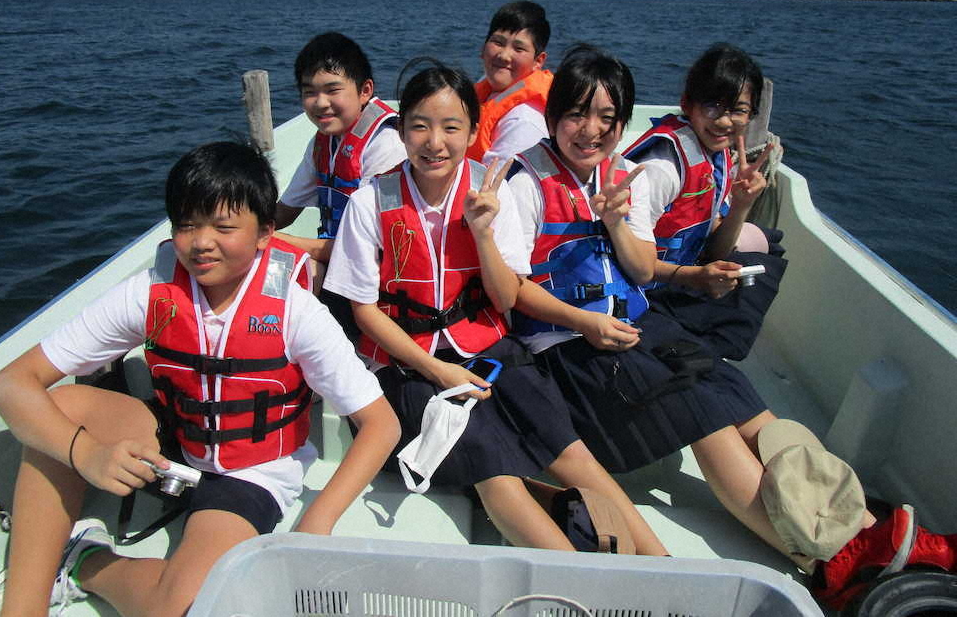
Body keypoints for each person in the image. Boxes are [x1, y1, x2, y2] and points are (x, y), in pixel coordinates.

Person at [505, 43, 891, 573]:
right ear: (552, 116)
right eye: (576, 114)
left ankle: (863, 526)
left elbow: (640, 269)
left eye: (607, 117)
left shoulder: (619, 174)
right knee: (703, 414)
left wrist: (617, 221)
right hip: (569, 344)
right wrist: (585, 321)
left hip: (633, 319)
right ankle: (834, 561)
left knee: (736, 395)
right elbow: (510, 289)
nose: (591, 130)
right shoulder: (524, 183)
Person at [0, 142, 400, 617]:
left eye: (223, 227)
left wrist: (316, 524)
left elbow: (380, 424)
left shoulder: (296, 312)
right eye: (186, 224)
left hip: (249, 472)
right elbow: (10, 384)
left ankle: (85, 563)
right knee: (57, 407)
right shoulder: (151, 292)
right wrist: (86, 453)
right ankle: (23, 606)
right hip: (173, 440)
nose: (201, 242)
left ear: (265, 232)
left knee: (184, 608)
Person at [324, 59, 667, 555]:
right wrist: (438, 371)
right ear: (401, 131)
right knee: (495, 470)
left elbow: (505, 299)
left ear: (471, 132)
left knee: (570, 451)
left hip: (490, 348)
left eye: (451, 127)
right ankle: (576, 574)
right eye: (419, 126)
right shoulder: (370, 202)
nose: (434, 142)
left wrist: (483, 233)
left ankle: (662, 562)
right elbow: (365, 312)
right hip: (410, 365)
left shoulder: (491, 191)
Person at [623, 43, 786, 361]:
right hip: (644, 286)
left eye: (738, 110)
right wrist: (697, 278)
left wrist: (741, 205)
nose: (724, 121)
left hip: (681, 269)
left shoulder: (717, 154)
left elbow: (714, 251)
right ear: (687, 103)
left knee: (768, 251)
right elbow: (627, 262)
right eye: (713, 105)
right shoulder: (662, 169)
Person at [274, 31, 406, 260]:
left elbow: (369, 247)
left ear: (365, 91)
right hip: (336, 256)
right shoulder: (323, 142)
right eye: (309, 92)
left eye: (333, 90)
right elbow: (285, 210)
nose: (320, 103)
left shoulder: (387, 144)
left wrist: (269, 239)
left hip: (374, 267)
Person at [470, 0, 554, 165]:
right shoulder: (489, 83)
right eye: (498, 43)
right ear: (483, 48)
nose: (504, 56)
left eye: (519, 49)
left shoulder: (523, 121)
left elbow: (499, 179)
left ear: (538, 61)